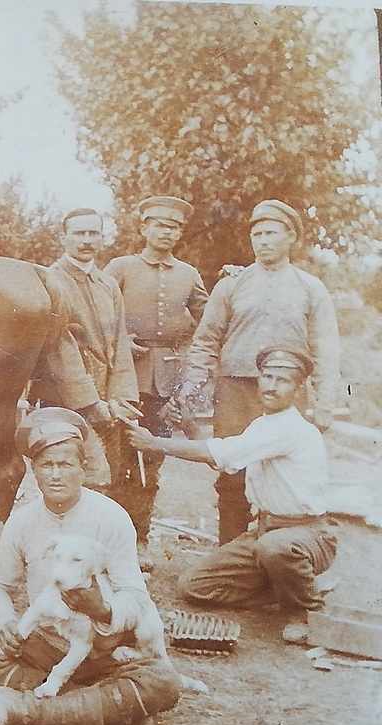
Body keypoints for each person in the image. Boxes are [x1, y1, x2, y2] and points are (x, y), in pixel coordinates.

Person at [0, 407, 182, 725]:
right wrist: (4, 623)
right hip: (49, 642)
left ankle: (29, 707)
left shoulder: (112, 517)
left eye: (65, 464)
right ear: (33, 470)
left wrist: (104, 610)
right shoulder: (22, 521)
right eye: (46, 465)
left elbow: (135, 595)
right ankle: (110, 704)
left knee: (164, 682)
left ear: (83, 467)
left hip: (107, 648)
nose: (55, 475)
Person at [125, 346, 338, 641]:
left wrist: (155, 443)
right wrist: (188, 424)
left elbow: (222, 452)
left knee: (275, 548)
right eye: (267, 376)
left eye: (283, 380)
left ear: (299, 388)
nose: (272, 386)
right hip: (265, 532)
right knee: (194, 586)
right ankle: (286, 587)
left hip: (307, 535)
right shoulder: (263, 425)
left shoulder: (289, 428)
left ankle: (304, 610)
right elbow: (224, 458)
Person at [180, 200, 341, 545]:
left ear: (291, 238)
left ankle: (278, 555)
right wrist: (191, 391)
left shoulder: (310, 288)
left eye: (271, 233)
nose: (263, 241)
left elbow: (326, 349)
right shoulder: (231, 285)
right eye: (257, 234)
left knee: (283, 472)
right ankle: (229, 554)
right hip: (236, 392)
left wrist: (325, 404)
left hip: (289, 394)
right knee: (232, 473)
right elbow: (205, 341)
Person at [105, 196, 209, 570]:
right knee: (113, 460)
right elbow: (98, 311)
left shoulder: (188, 274)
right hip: (120, 378)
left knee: (151, 461)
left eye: (174, 227)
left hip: (165, 380)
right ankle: (106, 538)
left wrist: (188, 356)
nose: (166, 232)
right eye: (159, 225)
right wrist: (119, 343)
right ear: (144, 228)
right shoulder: (121, 267)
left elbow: (208, 321)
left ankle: (140, 539)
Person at [32, 208, 140, 493]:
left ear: (102, 238)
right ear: (63, 238)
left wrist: (123, 399)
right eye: (79, 233)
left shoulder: (108, 284)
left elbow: (120, 345)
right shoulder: (50, 280)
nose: (87, 240)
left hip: (109, 402)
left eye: (94, 233)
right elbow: (59, 346)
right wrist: (91, 404)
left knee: (109, 479)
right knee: (72, 477)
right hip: (66, 400)